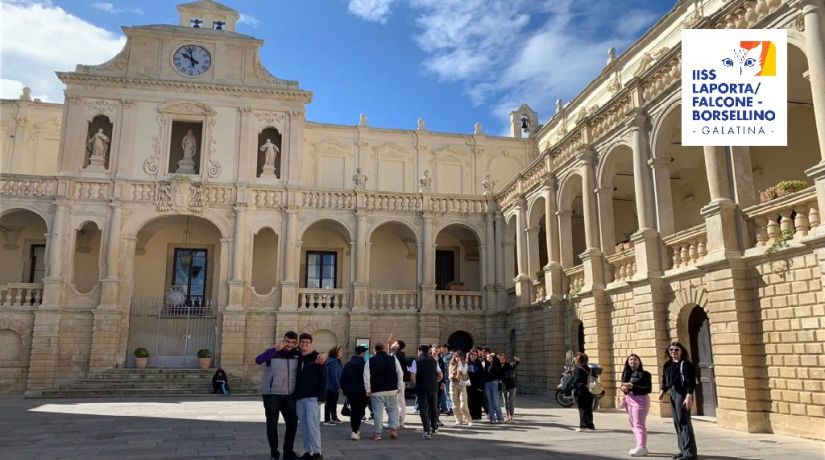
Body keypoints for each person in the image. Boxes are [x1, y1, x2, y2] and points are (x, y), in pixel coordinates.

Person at [256, 331, 301, 460]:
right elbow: (258, 360)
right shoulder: (272, 352)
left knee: (292, 423)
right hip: (272, 395)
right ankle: (274, 453)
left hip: (289, 395)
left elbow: (310, 357)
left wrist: (323, 354)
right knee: (272, 424)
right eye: (288, 341)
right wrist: (275, 349)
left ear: (296, 343)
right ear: (283, 340)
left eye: (293, 343)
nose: (290, 345)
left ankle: (288, 452)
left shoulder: (297, 355)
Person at [659, 341, 698, 460]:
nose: (673, 352)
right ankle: (683, 450)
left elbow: (691, 382)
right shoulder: (667, 365)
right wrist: (663, 390)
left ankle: (690, 454)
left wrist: (689, 396)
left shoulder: (686, 364)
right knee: (677, 423)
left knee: (684, 422)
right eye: (671, 350)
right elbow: (665, 380)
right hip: (673, 393)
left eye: (676, 350)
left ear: (681, 351)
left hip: (683, 394)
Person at [293, 333, 327, 460]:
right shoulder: (297, 356)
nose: (304, 344)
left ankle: (317, 453)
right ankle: (308, 452)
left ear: (311, 344)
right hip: (299, 398)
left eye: (307, 342)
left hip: (312, 398)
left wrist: (322, 396)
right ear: (299, 343)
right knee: (304, 427)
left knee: (313, 426)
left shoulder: (317, 357)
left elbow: (324, 377)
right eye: (302, 342)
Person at [364, 343, 403, 440]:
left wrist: (368, 389)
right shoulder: (393, 358)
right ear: (384, 348)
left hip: (377, 390)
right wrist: (399, 386)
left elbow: (366, 376)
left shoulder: (370, 360)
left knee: (378, 412)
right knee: (392, 410)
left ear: (375, 350)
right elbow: (400, 372)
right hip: (392, 389)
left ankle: (378, 433)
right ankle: (393, 429)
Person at [621, 353, 652, 457]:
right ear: (628, 362)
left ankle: (642, 447)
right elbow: (624, 388)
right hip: (629, 400)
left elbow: (648, 389)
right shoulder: (626, 373)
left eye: (635, 359)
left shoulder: (645, 374)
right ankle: (639, 445)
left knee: (639, 424)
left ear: (639, 362)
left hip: (640, 400)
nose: (633, 361)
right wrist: (624, 389)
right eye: (630, 360)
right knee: (633, 425)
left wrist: (632, 386)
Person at [411, 344, 442, 439]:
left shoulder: (416, 361)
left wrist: (417, 384)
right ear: (428, 351)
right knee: (433, 408)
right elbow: (441, 375)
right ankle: (434, 428)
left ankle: (427, 431)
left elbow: (413, 377)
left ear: (420, 351)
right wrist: (434, 381)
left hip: (422, 388)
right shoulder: (434, 361)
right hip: (433, 387)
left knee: (423, 409)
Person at [340, 346, 368, 440]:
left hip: (351, 392)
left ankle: (355, 429)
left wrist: (345, 390)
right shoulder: (365, 364)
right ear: (363, 353)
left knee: (354, 410)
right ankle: (355, 430)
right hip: (362, 392)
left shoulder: (348, 364)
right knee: (360, 411)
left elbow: (342, 378)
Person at [571, 352, 595, 432]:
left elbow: (576, 380)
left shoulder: (578, 369)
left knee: (582, 408)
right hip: (590, 391)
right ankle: (590, 425)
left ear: (579, 360)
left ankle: (583, 426)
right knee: (589, 408)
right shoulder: (590, 369)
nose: (575, 359)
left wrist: (570, 388)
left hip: (581, 391)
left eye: (576, 358)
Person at [389, 339, 410, 428]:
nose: (392, 343)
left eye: (394, 343)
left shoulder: (395, 355)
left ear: (397, 345)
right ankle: (401, 421)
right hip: (402, 380)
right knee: (401, 401)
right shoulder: (401, 354)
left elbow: (393, 368)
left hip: (396, 380)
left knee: (396, 401)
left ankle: (396, 422)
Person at [448, 352, 471, 426]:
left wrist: (459, 363)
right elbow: (449, 375)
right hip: (453, 384)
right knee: (455, 403)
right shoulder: (451, 364)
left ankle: (467, 419)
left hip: (462, 384)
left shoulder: (465, 364)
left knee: (463, 403)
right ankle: (458, 420)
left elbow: (464, 372)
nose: (457, 358)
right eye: (456, 356)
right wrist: (453, 376)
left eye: (459, 356)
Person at [482, 350, 503, 424]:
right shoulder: (485, 365)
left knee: (496, 402)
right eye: (488, 357)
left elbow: (499, 367)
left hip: (495, 383)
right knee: (490, 402)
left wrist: (495, 356)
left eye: (490, 357)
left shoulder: (496, 364)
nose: (489, 358)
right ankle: (492, 419)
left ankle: (500, 418)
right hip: (487, 384)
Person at [324, 346, 343, 425]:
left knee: (333, 403)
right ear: (336, 353)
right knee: (330, 403)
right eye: (340, 351)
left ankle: (334, 418)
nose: (341, 353)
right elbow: (333, 375)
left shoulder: (334, 361)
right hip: (332, 386)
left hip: (331, 386)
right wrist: (338, 386)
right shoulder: (333, 362)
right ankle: (327, 419)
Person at [499, 354, 520, 422]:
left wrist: (517, 361)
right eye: (500, 358)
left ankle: (511, 416)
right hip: (503, 386)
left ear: (505, 359)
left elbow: (514, 365)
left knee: (511, 401)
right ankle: (507, 416)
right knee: (505, 402)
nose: (502, 359)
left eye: (503, 358)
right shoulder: (498, 366)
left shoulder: (509, 365)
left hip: (511, 386)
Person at [466, 349, 484, 422]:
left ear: (477, 356)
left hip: (477, 385)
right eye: (471, 354)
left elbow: (482, 376)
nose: (473, 356)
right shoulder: (467, 364)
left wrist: (480, 386)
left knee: (478, 401)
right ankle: (471, 416)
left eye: (474, 355)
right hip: (469, 385)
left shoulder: (479, 364)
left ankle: (478, 417)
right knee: (469, 401)